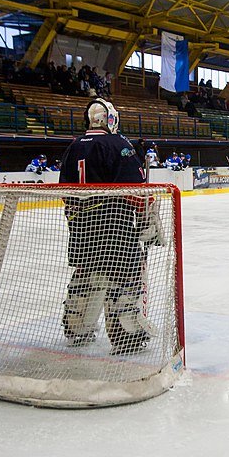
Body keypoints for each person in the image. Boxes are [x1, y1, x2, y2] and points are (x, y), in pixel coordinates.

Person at [59, 97, 158, 355]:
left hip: (80, 227)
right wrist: (148, 219)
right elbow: (135, 191)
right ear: (111, 119)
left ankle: (76, 327)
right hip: (115, 226)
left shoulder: (73, 146)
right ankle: (127, 335)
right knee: (125, 276)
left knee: (86, 274)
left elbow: (64, 193)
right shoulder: (118, 144)